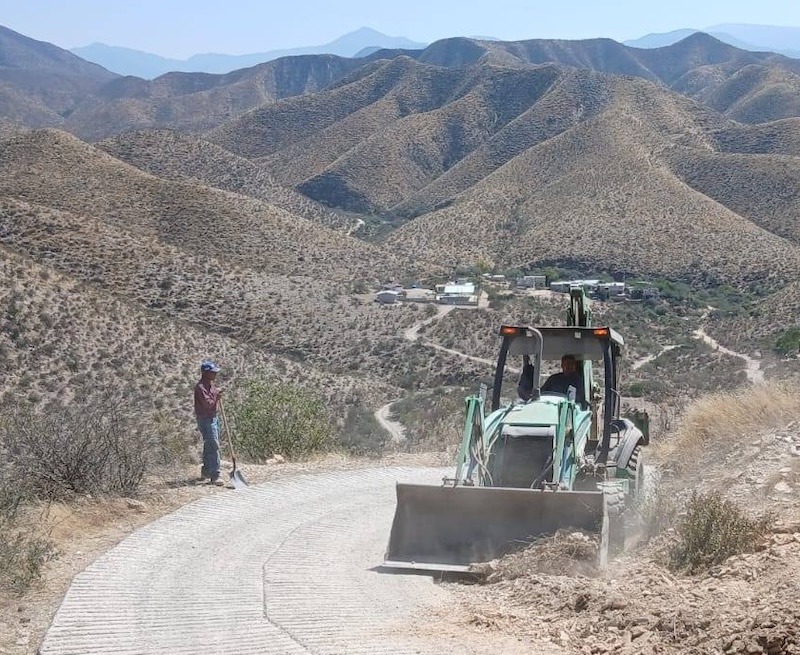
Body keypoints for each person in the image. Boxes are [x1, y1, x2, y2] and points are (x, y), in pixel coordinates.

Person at [194, 360, 225, 486]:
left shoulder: (211, 385)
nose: (215, 374)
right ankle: (215, 474)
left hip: (213, 417)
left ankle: (206, 470)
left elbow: (213, 397)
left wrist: (216, 392)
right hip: (205, 419)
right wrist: (217, 396)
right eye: (212, 372)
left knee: (209, 445)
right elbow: (208, 404)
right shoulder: (200, 387)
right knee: (213, 444)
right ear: (206, 373)